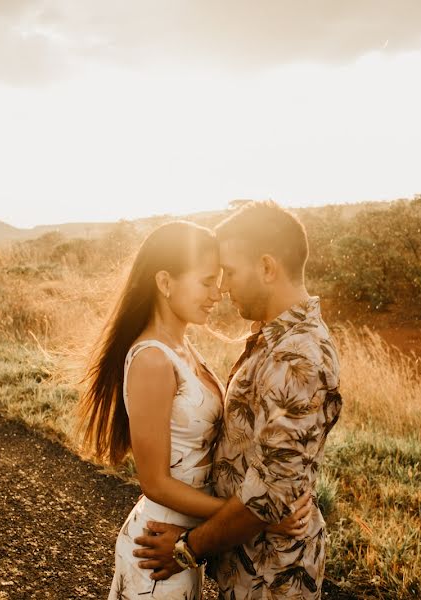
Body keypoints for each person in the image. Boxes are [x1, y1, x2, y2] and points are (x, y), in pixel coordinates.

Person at [77, 220, 313, 600]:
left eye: (220, 279)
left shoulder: (182, 346)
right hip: (158, 546)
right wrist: (252, 517)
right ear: (166, 282)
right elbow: (154, 481)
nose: (217, 293)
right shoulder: (152, 359)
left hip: (183, 542)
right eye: (206, 281)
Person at [132, 201, 342, 599]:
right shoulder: (271, 339)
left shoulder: (299, 357)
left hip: (272, 576)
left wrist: (186, 549)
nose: (223, 287)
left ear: (267, 267)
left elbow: (269, 502)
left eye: (229, 271)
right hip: (245, 563)